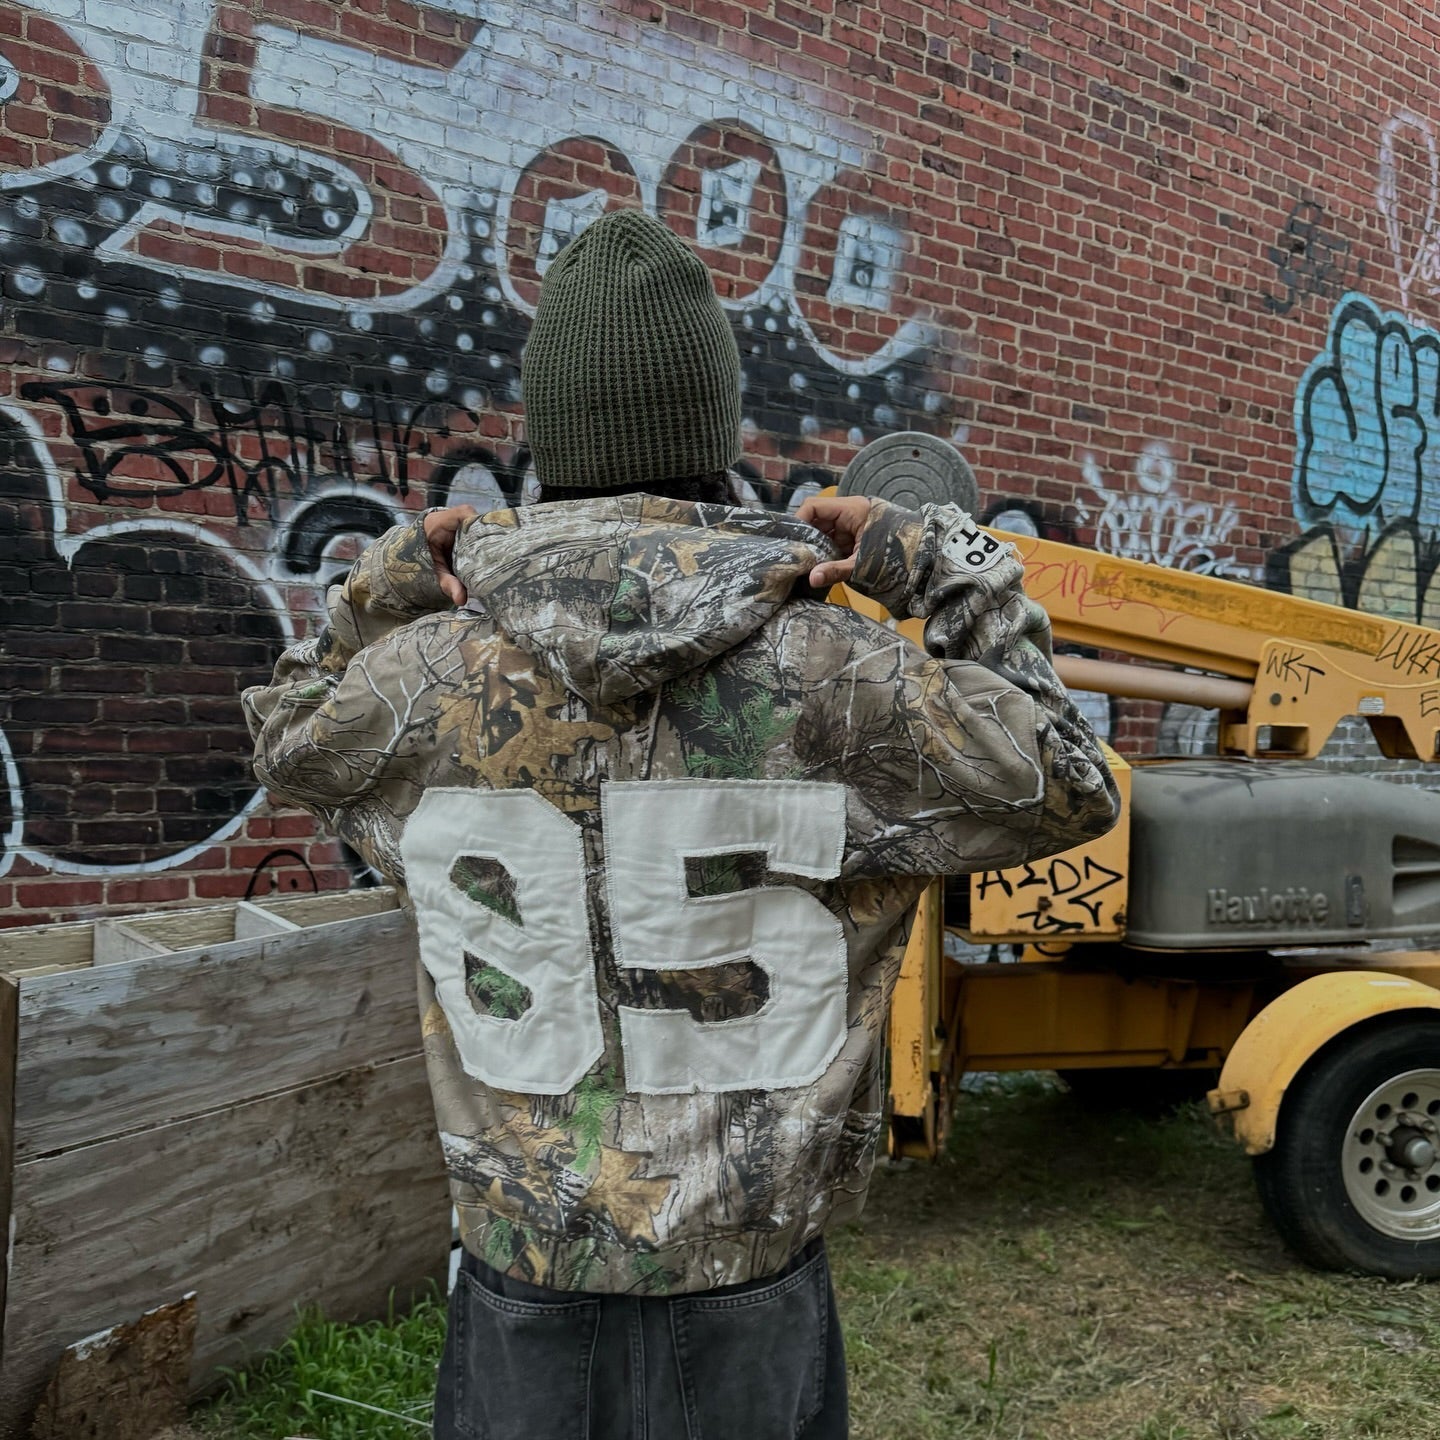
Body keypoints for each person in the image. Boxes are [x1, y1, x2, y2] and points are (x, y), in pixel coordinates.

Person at [244, 208, 1118, 1439]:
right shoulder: (843, 671)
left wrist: (376, 589)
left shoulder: (421, 679)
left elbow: (284, 731)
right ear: (713, 435)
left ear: (551, 436)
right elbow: (1073, 777)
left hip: (522, 1282)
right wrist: (946, 561)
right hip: (750, 1288)